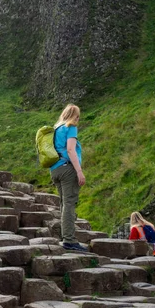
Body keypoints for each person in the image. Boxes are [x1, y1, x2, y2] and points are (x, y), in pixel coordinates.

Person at [50, 104, 87, 252]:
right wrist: (79, 171)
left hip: (55, 169)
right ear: (74, 115)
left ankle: (65, 237)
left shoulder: (56, 128)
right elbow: (70, 149)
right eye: (78, 116)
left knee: (63, 204)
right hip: (67, 169)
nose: (78, 118)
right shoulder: (70, 127)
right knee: (70, 204)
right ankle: (69, 240)